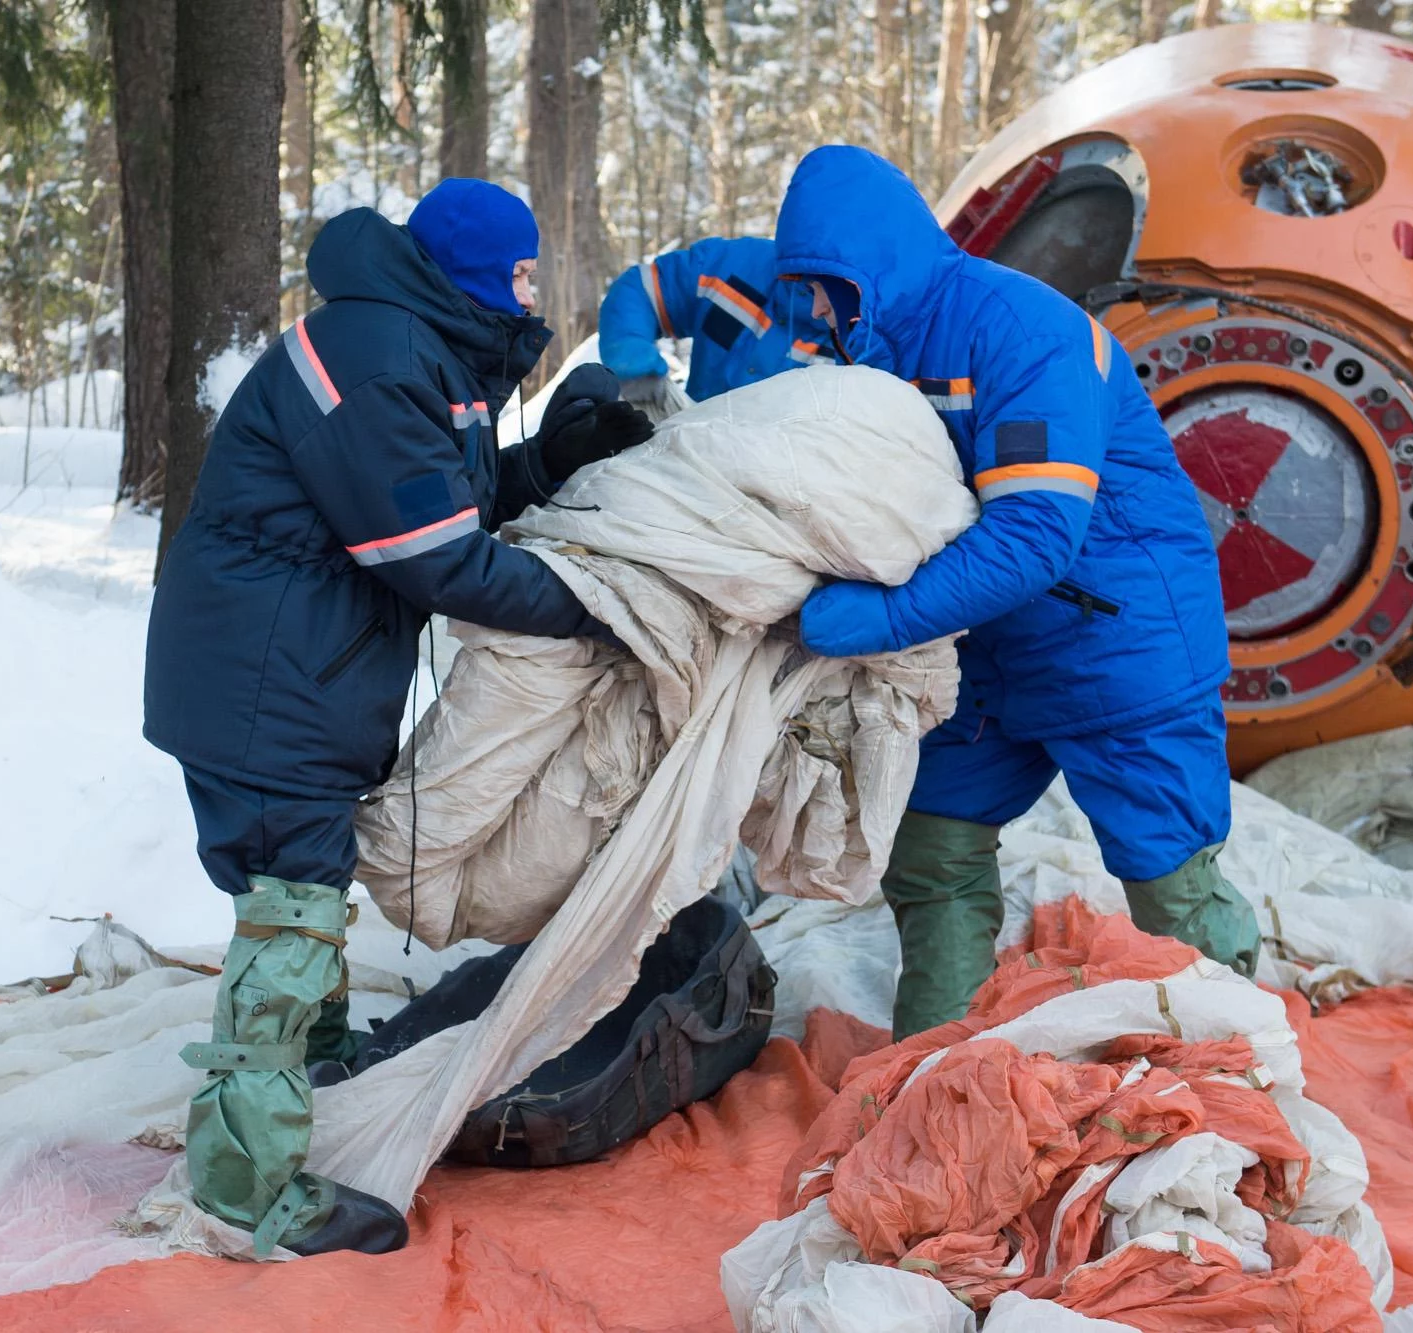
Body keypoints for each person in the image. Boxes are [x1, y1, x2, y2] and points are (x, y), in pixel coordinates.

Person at [142, 178, 653, 1257]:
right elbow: (427, 556)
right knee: (290, 915)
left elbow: (436, 499)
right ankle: (247, 1188)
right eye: (518, 270)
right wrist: (604, 610)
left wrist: (547, 460)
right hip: (265, 681)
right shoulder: (376, 358)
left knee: (303, 899)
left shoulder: (417, 345)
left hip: (300, 672)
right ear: (472, 271)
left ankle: (308, 1084)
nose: (529, 287)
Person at [774, 145, 1260, 1040]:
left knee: (1169, 881)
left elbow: (1037, 534)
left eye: (823, 284)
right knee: (932, 854)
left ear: (872, 264)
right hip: (978, 645)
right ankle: (936, 1076)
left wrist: (879, 618)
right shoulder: (861, 351)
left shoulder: (1022, 331)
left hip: (1118, 640)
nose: (810, 308)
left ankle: (1244, 1069)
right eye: (800, 286)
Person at [597, 236, 831, 402]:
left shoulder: (864, 345)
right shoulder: (736, 266)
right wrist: (629, 348)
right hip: (687, 451)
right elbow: (642, 290)